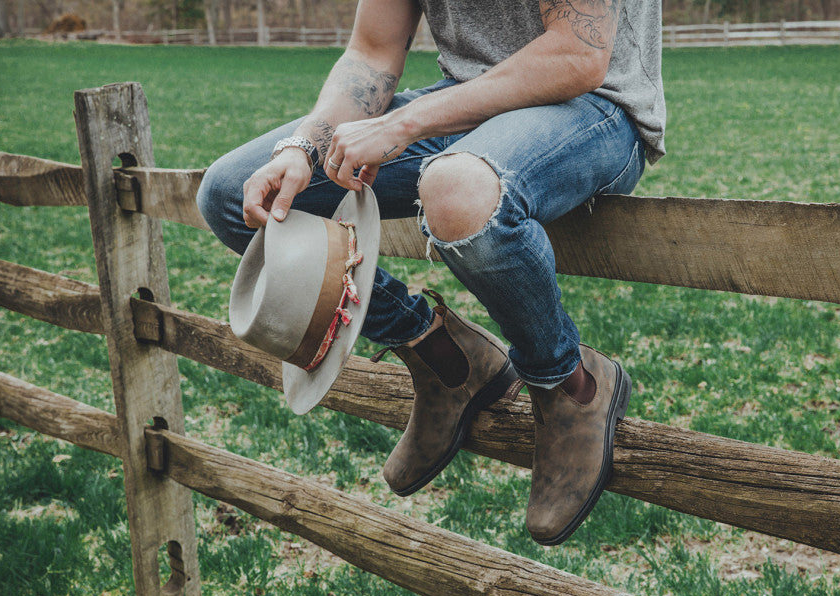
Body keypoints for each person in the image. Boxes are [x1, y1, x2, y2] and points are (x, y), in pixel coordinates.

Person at [197, 0, 665, 545]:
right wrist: (305, 147)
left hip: (593, 107)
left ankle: (570, 384)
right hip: (465, 104)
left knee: (457, 190)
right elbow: (373, 50)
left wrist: (402, 123)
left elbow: (576, 55)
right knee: (234, 195)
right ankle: (443, 356)